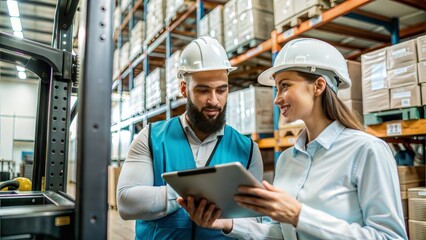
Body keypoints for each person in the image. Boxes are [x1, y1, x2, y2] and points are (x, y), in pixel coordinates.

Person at [178, 38, 408, 240]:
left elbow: (389, 237)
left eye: (284, 86)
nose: (277, 99)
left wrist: (300, 215)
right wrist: (226, 224)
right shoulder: (288, 159)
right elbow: (279, 233)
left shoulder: (367, 151)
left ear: (318, 85)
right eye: (277, 89)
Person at [116, 36, 264, 240]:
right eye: (203, 90)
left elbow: (255, 220)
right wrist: (191, 191)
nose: (214, 100)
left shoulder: (247, 150)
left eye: (222, 90)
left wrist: (228, 222)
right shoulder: (150, 138)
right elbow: (126, 202)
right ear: (184, 89)